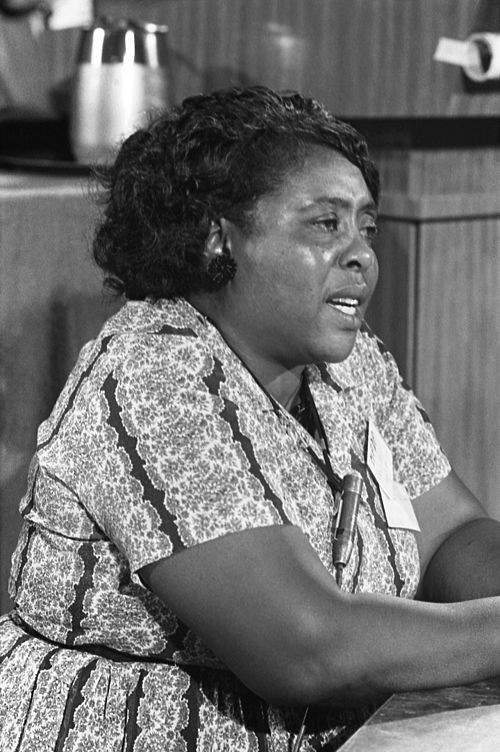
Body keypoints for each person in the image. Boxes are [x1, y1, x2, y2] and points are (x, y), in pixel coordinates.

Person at [1, 85, 500, 752]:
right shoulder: (154, 377)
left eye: (366, 227)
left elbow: (450, 535)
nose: (362, 255)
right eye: (326, 224)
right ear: (218, 239)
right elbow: (304, 647)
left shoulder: (350, 367)